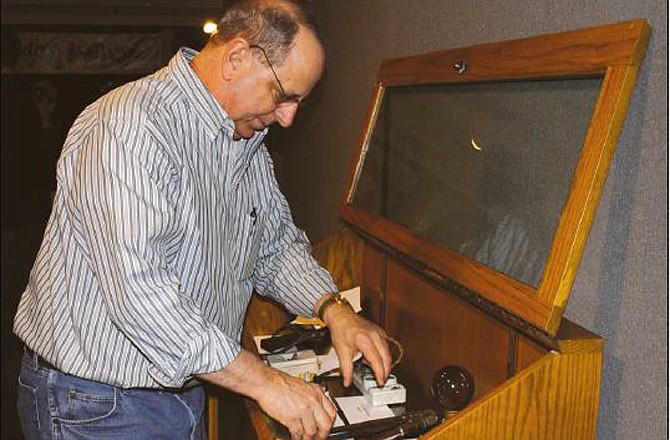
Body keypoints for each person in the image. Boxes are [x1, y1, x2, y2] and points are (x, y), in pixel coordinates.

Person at [13, 1, 392, 439]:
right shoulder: (129, 127)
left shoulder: (246, 139)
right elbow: (142, 297)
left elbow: (275, 247)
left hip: (182, 386)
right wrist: (267, 383)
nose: (288, 118)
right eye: (283, 95)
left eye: (298, 103)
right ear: (236, 58)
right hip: (97, 403)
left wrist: (334, 309)